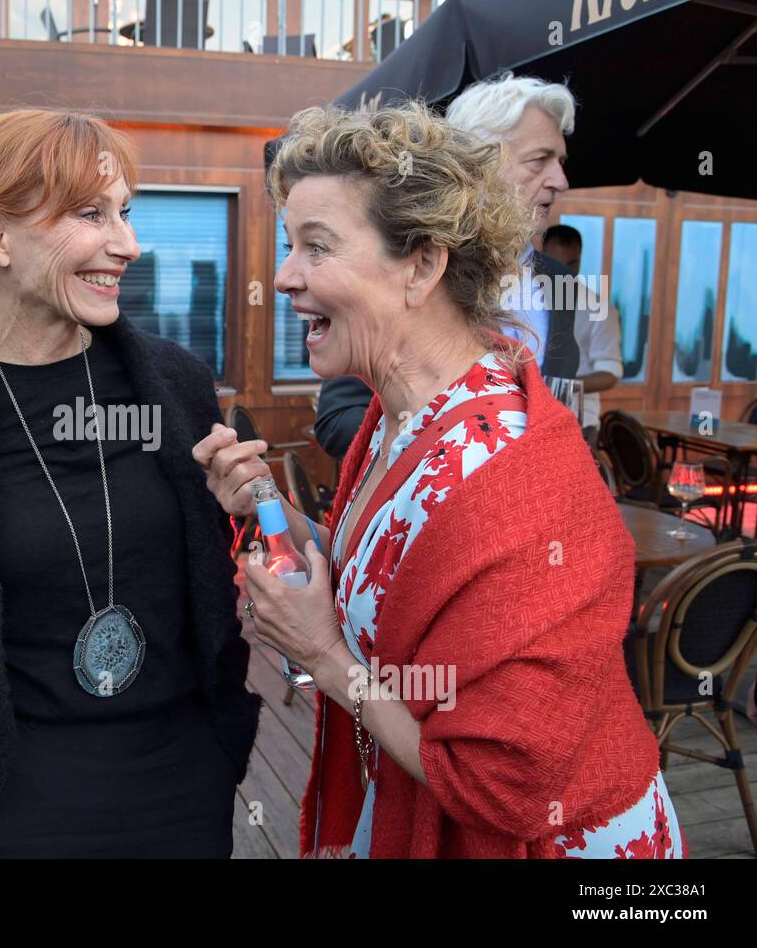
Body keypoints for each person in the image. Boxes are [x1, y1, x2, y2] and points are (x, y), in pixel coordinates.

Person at [199, 101, 681, 858]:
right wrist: (275, 511)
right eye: (290, 246)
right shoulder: (401, 419)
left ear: (422, 264)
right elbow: (407, 583)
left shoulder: (516, 484)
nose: (285, 276)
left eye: (316, 247)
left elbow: (501, 788)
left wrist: (325, 658)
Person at [0, 109, 260, 859]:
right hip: (4, 805)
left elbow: (215, 576)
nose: (128, 245)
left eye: (126, 214)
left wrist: (247, 512)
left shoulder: (175, 384)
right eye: (90, 214)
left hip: (182, 789)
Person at [313, 73, 582, 461]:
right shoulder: (413, 267)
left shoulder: (560, 281)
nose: (560, 180)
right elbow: (340, 417)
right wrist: (450, 462)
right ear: (479, 164)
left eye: (560, 161)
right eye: (540, 160)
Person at [542, 223, 623, 436]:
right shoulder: (522, 300)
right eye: (553, 264)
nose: (561, 274)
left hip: (579, 421)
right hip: (530, 418)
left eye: (569, 266)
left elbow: (610, 374)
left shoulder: (599, 308)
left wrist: (558, 386)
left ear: (578, 263)